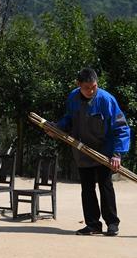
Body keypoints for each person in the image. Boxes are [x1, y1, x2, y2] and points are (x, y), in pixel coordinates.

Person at [55, 68, 130, 236]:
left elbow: (121, 128)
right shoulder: (73, 97)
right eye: (86, 87)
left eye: (93, 87)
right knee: (87, 188)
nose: (90, 91)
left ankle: (112, 223)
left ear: (97, 84)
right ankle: (93, 224)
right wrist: (57, 128)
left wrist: (117, 154)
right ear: (78, 84)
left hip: (104, 152)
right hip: (82, 151)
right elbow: (69, 118)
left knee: (105, 186)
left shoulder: (107, 100)